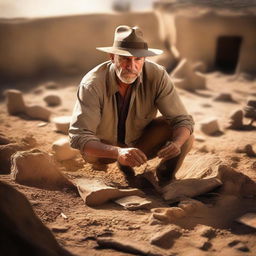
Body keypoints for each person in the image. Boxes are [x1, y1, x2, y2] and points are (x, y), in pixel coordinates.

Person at [69, 25, 194, 185]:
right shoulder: (92, 84)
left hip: (139, 144)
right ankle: (119, 161)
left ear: (144, 59)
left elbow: (182, 120)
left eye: (137, 59)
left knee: (185, 134)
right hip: (104, 149)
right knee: (92, 153)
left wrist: (176, 144)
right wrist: (118, 152)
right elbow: (79, 137)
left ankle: (166, 178)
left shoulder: (157, 75)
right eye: (125, 58)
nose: (132, 66)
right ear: (112, 57)